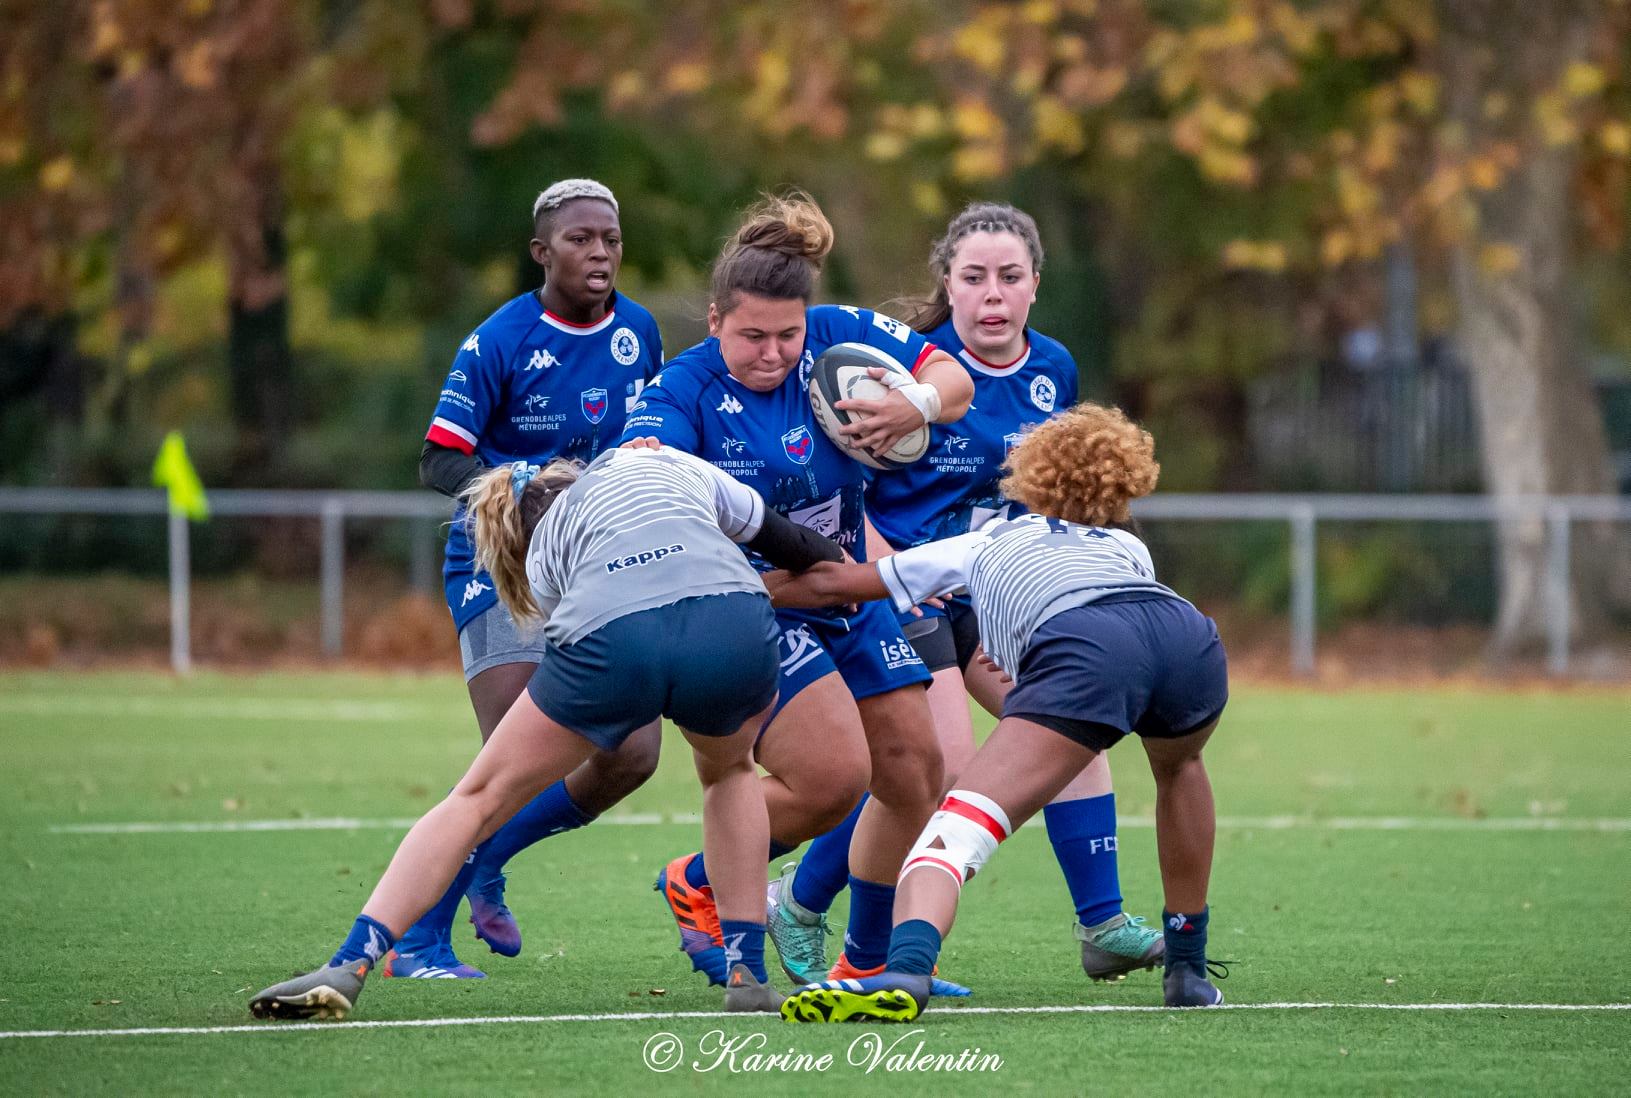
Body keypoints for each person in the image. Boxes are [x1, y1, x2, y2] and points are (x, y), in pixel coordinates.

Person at [249, 444, 847, 1020]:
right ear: (573, 472)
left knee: (478, 799)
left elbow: (594, 631)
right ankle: (746, 977)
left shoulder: (542, 557)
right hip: (734, 616)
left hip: (616, 636)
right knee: (730, 772)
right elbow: (790, 540)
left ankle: (350, 962)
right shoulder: (660, 461)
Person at [767, 203, 1162, 985]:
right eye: (973, 277)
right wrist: (892, 582)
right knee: (934, 769)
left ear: (1033, 288)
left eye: (1008, 278)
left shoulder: (1053, 372)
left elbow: (1050, 496)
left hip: (990, 591)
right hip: (902, 587)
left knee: (1071, 724)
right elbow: (853, 493)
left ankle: (1103, 924)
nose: (991, 294)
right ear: (946, 284)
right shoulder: (903, 370)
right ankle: (811, 910)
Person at [766, 404, 1230, 1020]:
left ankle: (902, 970)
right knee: (1181, 770)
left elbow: (835, 585)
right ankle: (1188, 970)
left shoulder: (988, 542)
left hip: (1090, 649)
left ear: (1030, 478)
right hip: (1189, 637)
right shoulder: (1127, 545)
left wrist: (742, 585)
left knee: (953, 830)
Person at [620, 192, 976, 990]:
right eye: (751, 336)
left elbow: (952, 379)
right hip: (755, 605)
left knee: (916, 773)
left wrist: (911, 402)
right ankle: (703, 878)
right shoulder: (683, 391)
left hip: (843, 590)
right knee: (832, 780)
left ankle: (866, 963)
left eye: (787, 334)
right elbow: (649, 489)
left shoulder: (834, 333)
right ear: (714, 319)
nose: (774, 354)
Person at [407, 179, 665, 978]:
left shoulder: (641, 332)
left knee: (634, 752)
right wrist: (525, 487)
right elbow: (438, 458)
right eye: (581, 239)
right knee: (514, 757)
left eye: (610, 240)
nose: (599, 253)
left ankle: (487, 863)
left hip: (600, 564)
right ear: (541, 252)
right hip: (504, 564)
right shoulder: (500, 339)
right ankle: (416, 936)